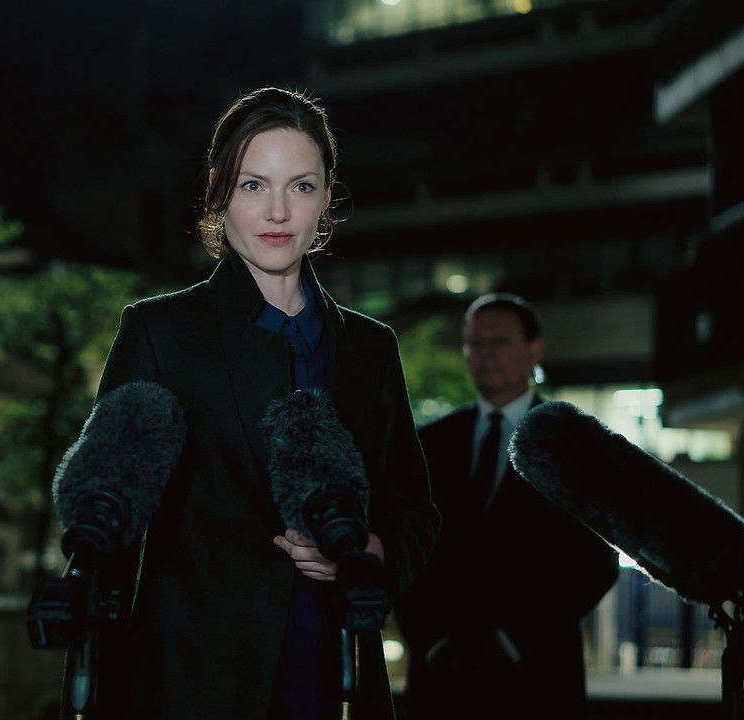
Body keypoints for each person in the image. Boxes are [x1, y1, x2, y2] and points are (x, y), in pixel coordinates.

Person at [88, 87, 439, 720]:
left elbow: (413, 506)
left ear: (326, 199)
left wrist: (372, 549)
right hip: (194, 683)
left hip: (336, 675)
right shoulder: (160, 334)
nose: (278, 211)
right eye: (254, 185)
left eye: (300, 186)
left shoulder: (370, 348)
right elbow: (110, 533)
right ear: (219, 193)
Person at [394, 293, 618, 719]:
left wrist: (512, 639)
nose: (486, 353)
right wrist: (432, 641)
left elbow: (594, 563)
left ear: (535, 350)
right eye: (475, 343)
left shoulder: (576, 446)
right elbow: (406, 549)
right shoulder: (429, 444)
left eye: (500, 341)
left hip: (537, 677)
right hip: (440, 676)